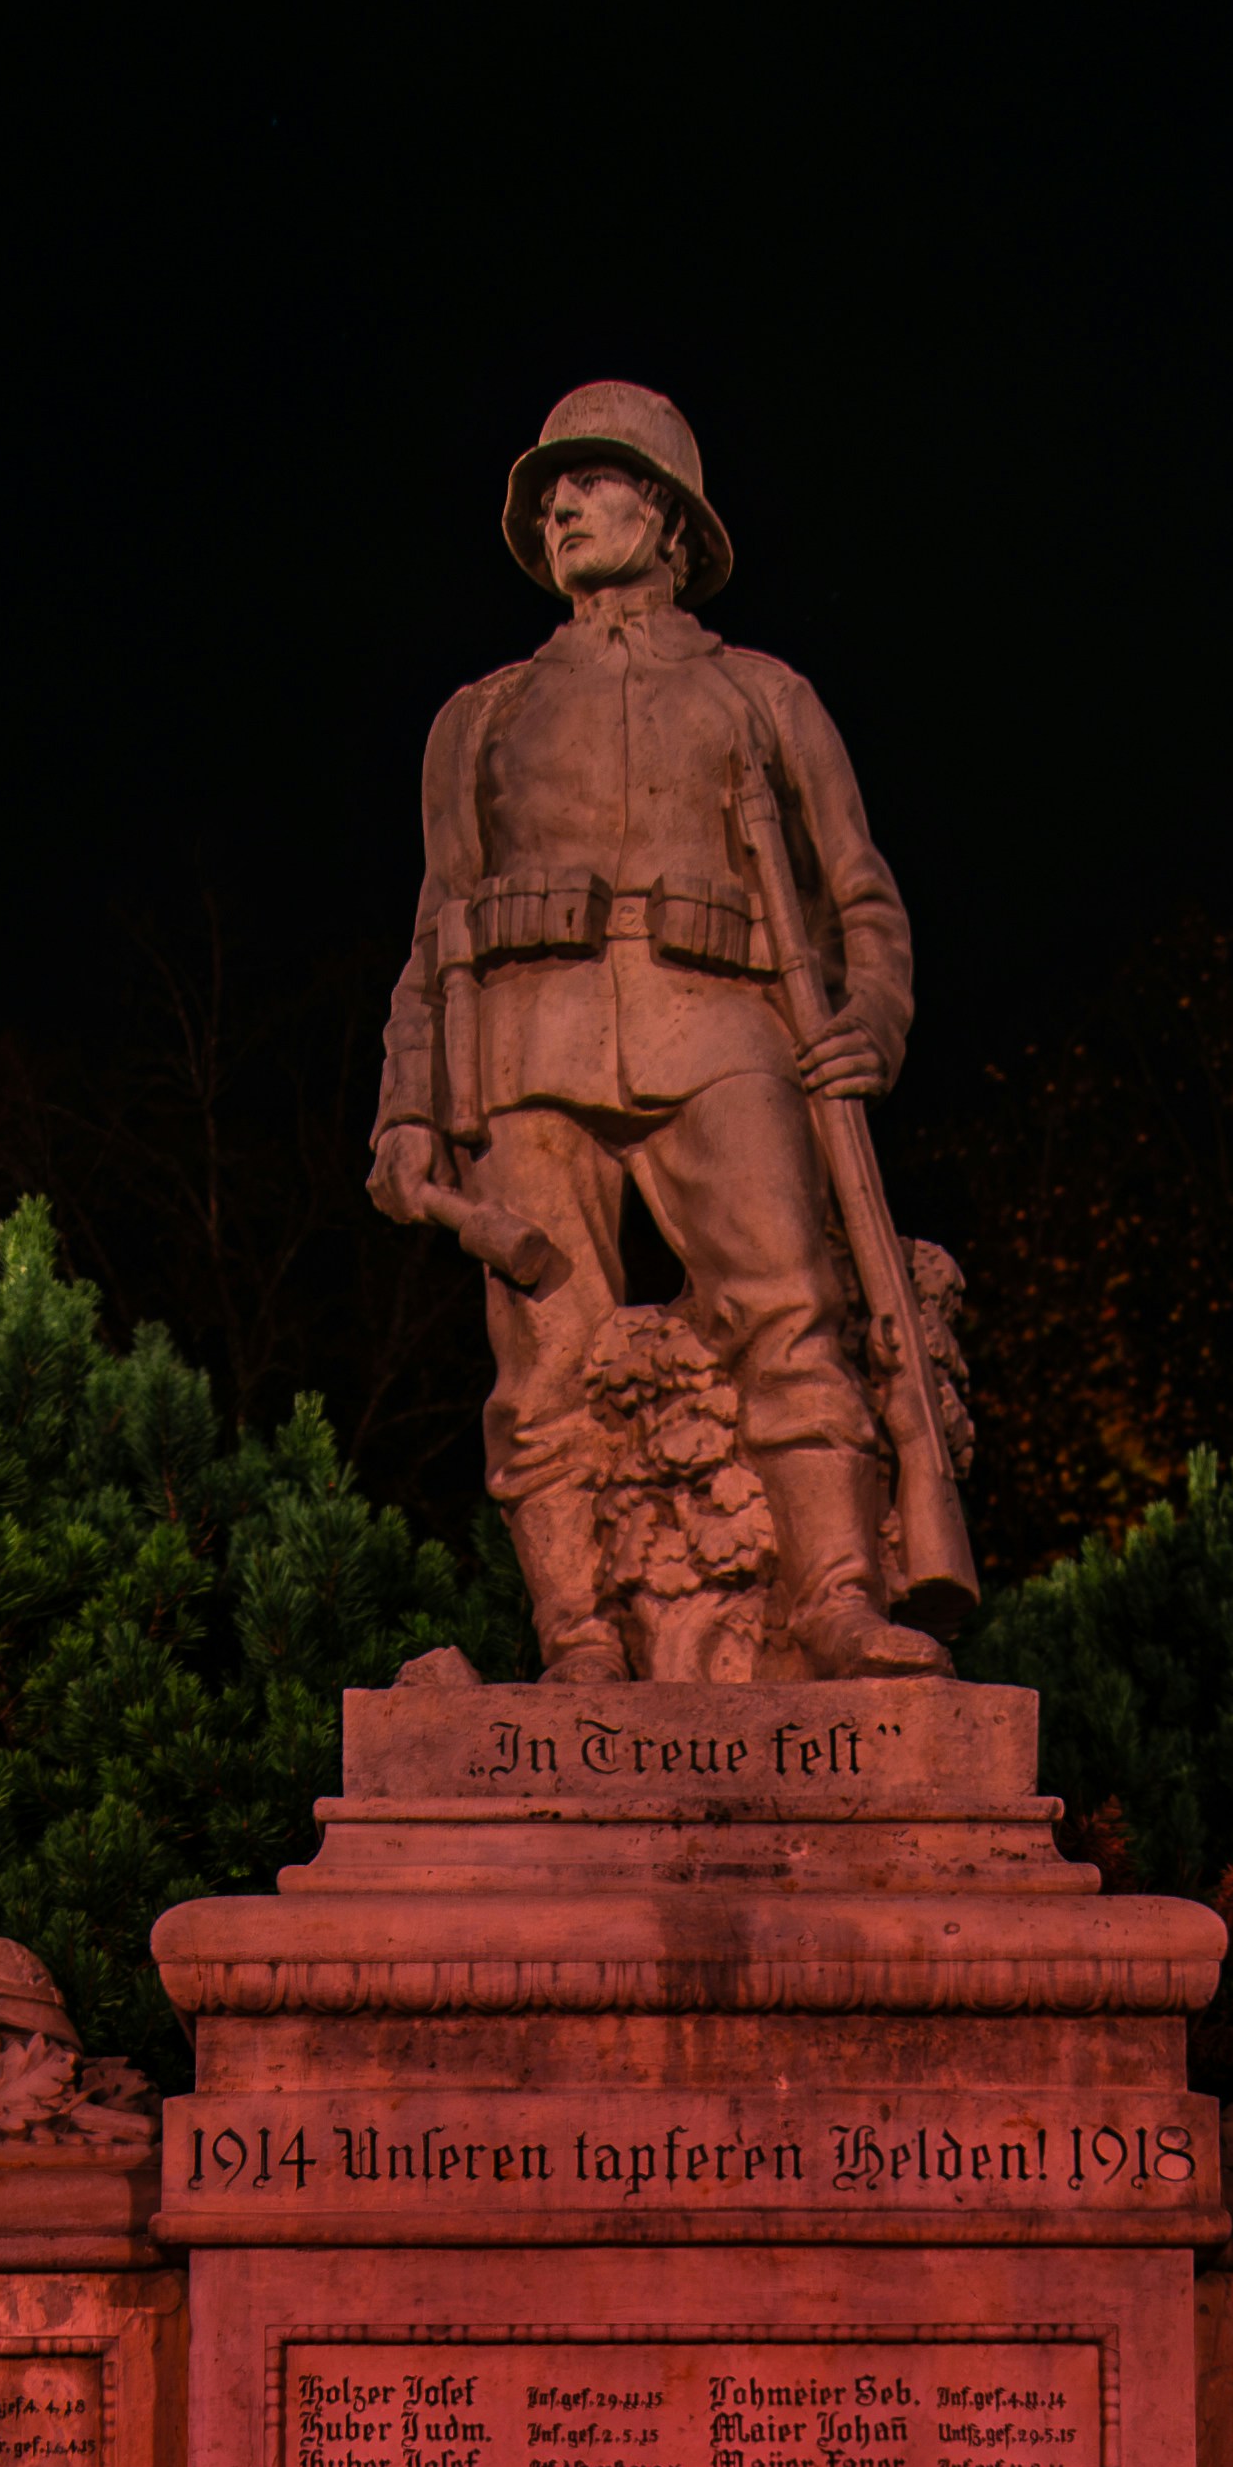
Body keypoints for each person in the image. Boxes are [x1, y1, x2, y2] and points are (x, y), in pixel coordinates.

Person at [374, 376, 950, 1680]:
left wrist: (876, 1011)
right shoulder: (479, 718)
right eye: (549, 493)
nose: (564, 505)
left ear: (672, 516)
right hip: (525, 1050)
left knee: (790, 1309)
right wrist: (407, 1113)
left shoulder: (763, 695)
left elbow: (861, 888)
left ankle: (840, 1600)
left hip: (722, 1033)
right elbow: (435, 929)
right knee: (545, 1357)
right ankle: (576, 1637)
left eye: (594, 480)